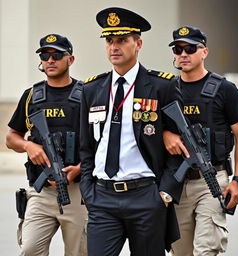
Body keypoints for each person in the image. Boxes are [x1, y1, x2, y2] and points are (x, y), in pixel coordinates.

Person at [79, 7, 184, 256]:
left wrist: (166, 192)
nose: (114, 47)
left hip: (146, 197)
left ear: (138, 43)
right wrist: (88, 189)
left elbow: (182, 145)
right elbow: (86, 146)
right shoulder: (91, 89)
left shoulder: (162, 86)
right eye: (109, 41)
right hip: (101, 198)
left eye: (122, 40)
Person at [164, 26, 238, 256]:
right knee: (180, 251)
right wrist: (166, 135)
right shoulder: (165, 89)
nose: (183, 54)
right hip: (176, 183)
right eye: (178, 49)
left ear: (204, 52)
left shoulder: (225, 89)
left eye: (190, 48)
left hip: (211, 180)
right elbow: (150, 129)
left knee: (206, 250)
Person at [6, 34, 87, 256]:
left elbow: (101, 142)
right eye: (45, 55)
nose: (50, 60)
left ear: (70, 59)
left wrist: (80, 168)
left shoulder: (86, 94)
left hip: (77, 191)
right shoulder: (32, 95)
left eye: (57, 55)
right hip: (41, 192)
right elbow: (11, 136)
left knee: (79, 252)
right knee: (30, 249)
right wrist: (28, 146)